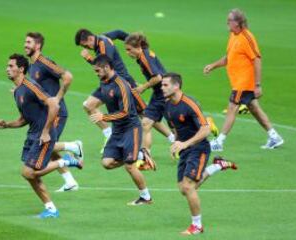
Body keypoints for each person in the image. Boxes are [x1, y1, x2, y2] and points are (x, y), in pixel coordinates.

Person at [0, 54, 82, 218]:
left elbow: (54, 105)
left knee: (28, 172)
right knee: (30, 176)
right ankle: (50, 209)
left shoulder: (30, 86)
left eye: (11, 66)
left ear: (21, 69)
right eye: (7, 66)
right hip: (33, 135)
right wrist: (6, 125)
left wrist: (46, 131)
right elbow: (23, 120)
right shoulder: (18, 91)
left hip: (44, 135)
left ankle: (66, 161)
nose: (7, 69)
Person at [75, 29, 172, 157]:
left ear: (90, 39)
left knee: (145, 114)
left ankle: (172, 138)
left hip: (123, 84)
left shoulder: (104, 45)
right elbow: (119, 33)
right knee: (88, 105)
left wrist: (88, 58)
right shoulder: (104, 38)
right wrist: (133, 42)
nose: (86, 47)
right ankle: (108, 134)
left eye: (85, 45)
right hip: (108, 84)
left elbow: (105, 66)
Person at [161, 73, 237, 235]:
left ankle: (197, 225)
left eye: (165, 85)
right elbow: (176, 128)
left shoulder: (189, 104)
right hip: (185, 148)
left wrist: (185, 144)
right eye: (162, 85)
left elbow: (206, 129)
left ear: (176, 86)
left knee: (188, 187)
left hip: (199, 147)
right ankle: (217, 166)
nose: (162, 88)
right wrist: (176, 143)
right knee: (184, 188)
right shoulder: (167, 106)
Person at [124, 32, 219, 157]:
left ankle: (146, 158)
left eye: (129, 50)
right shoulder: (144, 53)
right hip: (161, 92)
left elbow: (158, 77)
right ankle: (201, 128)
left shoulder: (144, 58)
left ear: (138, 47)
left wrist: (143, 87)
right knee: (167, 122)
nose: (127, 53)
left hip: (162, 93)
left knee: (146, 123)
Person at [203, 9, 284, 151]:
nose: (227, 23)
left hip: (244, 82)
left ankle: (219, 141)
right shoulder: (233, 35)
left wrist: (257, 84)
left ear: (238, 22)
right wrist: (213, 66)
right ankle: (274, 136)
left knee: (232, 107)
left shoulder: (247, 37)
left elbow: (257, 59)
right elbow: (229, 57)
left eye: (229, 20)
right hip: (238, 81)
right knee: (254, 108)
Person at [89, 55, 153, 205]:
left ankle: (146, 197)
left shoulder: (122, 85)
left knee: (130, 166)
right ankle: (139, 156)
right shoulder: (104, 81)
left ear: (106, 67)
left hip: (131, 128)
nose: (96, 73)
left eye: (98, 70)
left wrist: (103, 117)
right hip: (117, 130)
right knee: (106, 163)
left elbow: (125, 112)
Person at [25, 32, 82, 191]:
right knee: (48, 148)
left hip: (57, 112)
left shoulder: (44, 62)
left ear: (37, 46)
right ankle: (70, 182)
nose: (25, 45)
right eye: (25, 42)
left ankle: (74, 146)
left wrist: (58, 98)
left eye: (29, 42)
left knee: (44, 144)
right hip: (46, 114)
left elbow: (68, 76)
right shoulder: (32, 66)